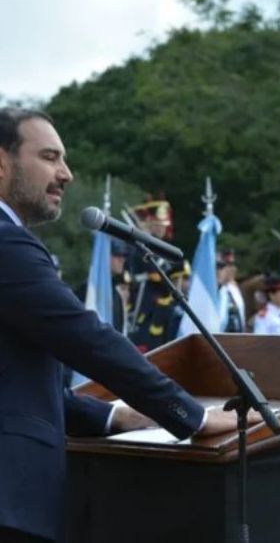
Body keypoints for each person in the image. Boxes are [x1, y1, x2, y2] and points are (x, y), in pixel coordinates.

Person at [0, 108, 249, 542]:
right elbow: (87, 339)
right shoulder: (6, 242)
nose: (67, 173)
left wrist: (116, 415)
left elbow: (16, 386)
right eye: (49, 156)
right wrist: (191, 418)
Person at [127, 197, 183, 352]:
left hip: (167, 307)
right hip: (146, 305)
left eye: (163, 226)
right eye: (157, 225)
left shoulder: (168, 249)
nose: (161, 229)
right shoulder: (141, 247)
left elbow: (178, 278)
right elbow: (155, 276)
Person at [217, 248, 246, 333]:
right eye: (227, 265)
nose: (232, 268)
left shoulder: (234, 289)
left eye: (232, 265)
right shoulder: (213, 291)